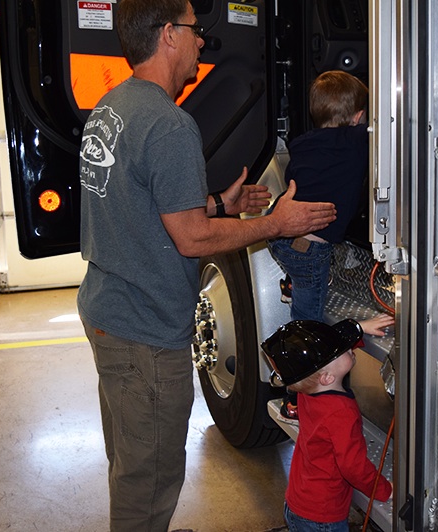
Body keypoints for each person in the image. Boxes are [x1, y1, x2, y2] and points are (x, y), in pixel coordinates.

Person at [77, 1, 336, 530]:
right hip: (145, 332)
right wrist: (275, 224)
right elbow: (192, 240)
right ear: (168, 34)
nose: (203, 42)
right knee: (148, 480)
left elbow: (144, 206)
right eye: (196, 31)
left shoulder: (112, 107)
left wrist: (220, 204)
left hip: (110, 311)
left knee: (132, 462)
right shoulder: (170, 125)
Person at [261, 319, 393, 532]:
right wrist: (384, 489)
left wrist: (359, 328)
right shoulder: (341, 412)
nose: (349, 347)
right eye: (343, 350)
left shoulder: (307, 391)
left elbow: (331, 358)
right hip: (323, 519)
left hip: (298, 502)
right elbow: (353, 467)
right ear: (327, 377)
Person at [268, 70, 369, 322]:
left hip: (277, 230)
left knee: (300, 274)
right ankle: (308, 358)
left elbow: (293, 176)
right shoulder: (355, 140)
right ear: (358, 117)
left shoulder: (302, 142)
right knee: (309, 318)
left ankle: (293, 284)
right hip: (309, 249)